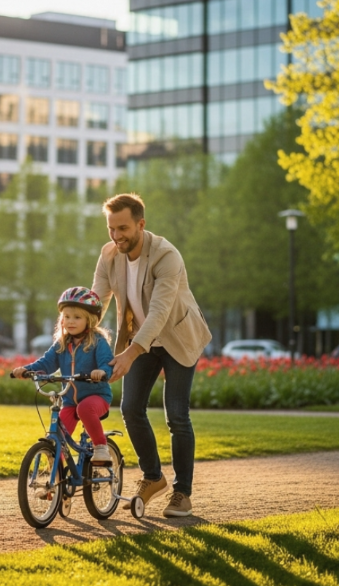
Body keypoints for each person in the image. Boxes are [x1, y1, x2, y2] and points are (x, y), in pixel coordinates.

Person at [92, 193, 211, 518]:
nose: (116, 235)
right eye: (111, 228)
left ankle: (182, 493)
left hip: (177, 337)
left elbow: (159, 313)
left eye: (123, 228)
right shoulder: (109, 255)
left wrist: (129, 354)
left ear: (141, 224)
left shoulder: (166, 256)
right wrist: (76, 332)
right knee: (131, 408)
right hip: (140, 338)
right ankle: (153, 476)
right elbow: (96, 303)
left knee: (177, 415)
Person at [12, 287, 114, 465]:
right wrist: (26, 370)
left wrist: (102, 371)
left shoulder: (98, 341)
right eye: (66, 317)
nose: (70, 321)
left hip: (97, 398)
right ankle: (55, 474)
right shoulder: (62, 344)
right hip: (70, 402)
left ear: (90, 320)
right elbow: (45, 363)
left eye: (77, 317)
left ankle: (100, 447)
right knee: (56, 436)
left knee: (84, 409)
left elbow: (107, 362)